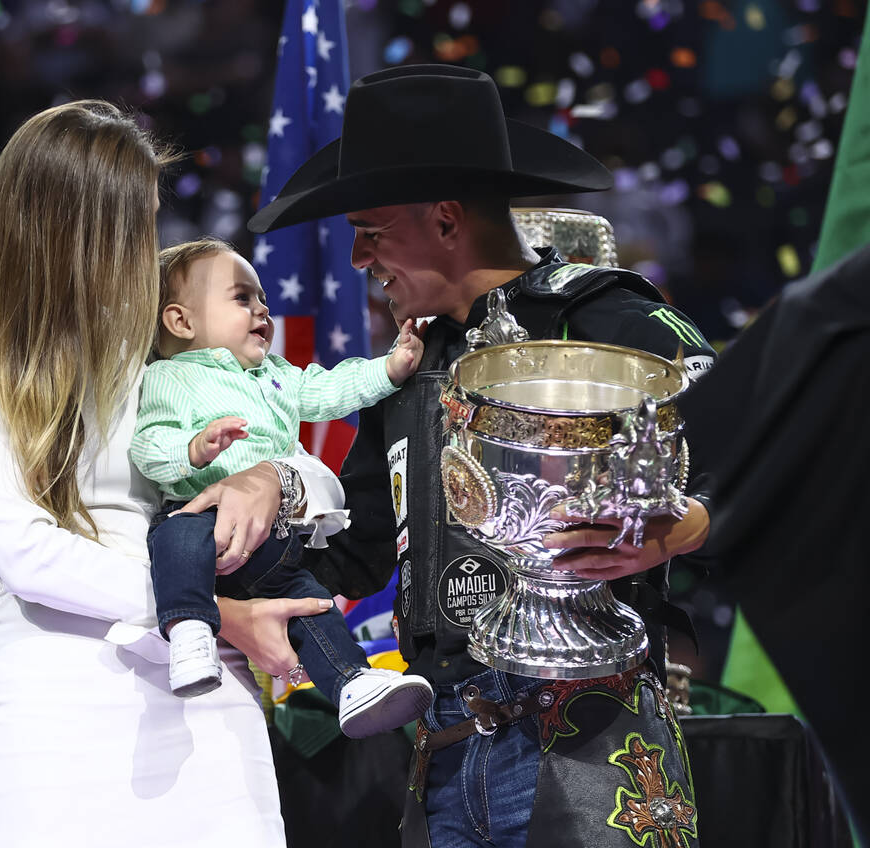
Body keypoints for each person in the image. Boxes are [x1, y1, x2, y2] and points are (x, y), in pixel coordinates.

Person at [248, 65, 716, 848]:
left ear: (445, 218)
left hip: (593, 742)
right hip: (445, 756)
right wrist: (233, 575)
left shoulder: (602, 318)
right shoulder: (404, 372)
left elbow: (766, 455)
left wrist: (682, 526)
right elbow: (355, 552)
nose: (362, 258)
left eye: (372, 229)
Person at [0, 100, 347, 847]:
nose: (144, 249)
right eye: (127, 225)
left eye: (146, 221)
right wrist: (213, 613)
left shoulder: (163, 343)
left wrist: (271, 479)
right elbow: (25, 553)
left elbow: (322, 483)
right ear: (59, 222)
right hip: (62, 709)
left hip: (209, 695)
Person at [129, 237, 432, 737]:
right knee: (174, 534)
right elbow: (148, 445)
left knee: (310, 605)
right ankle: (188, 632)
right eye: (242, 298)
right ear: (181, 322)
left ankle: (352, 683)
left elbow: (332, 389)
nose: (262, 310)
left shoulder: (275, 375)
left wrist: (389, 367)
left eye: (263, 299)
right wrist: (193, 449)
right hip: (204, 515)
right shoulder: (170, 378)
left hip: (276, 539)